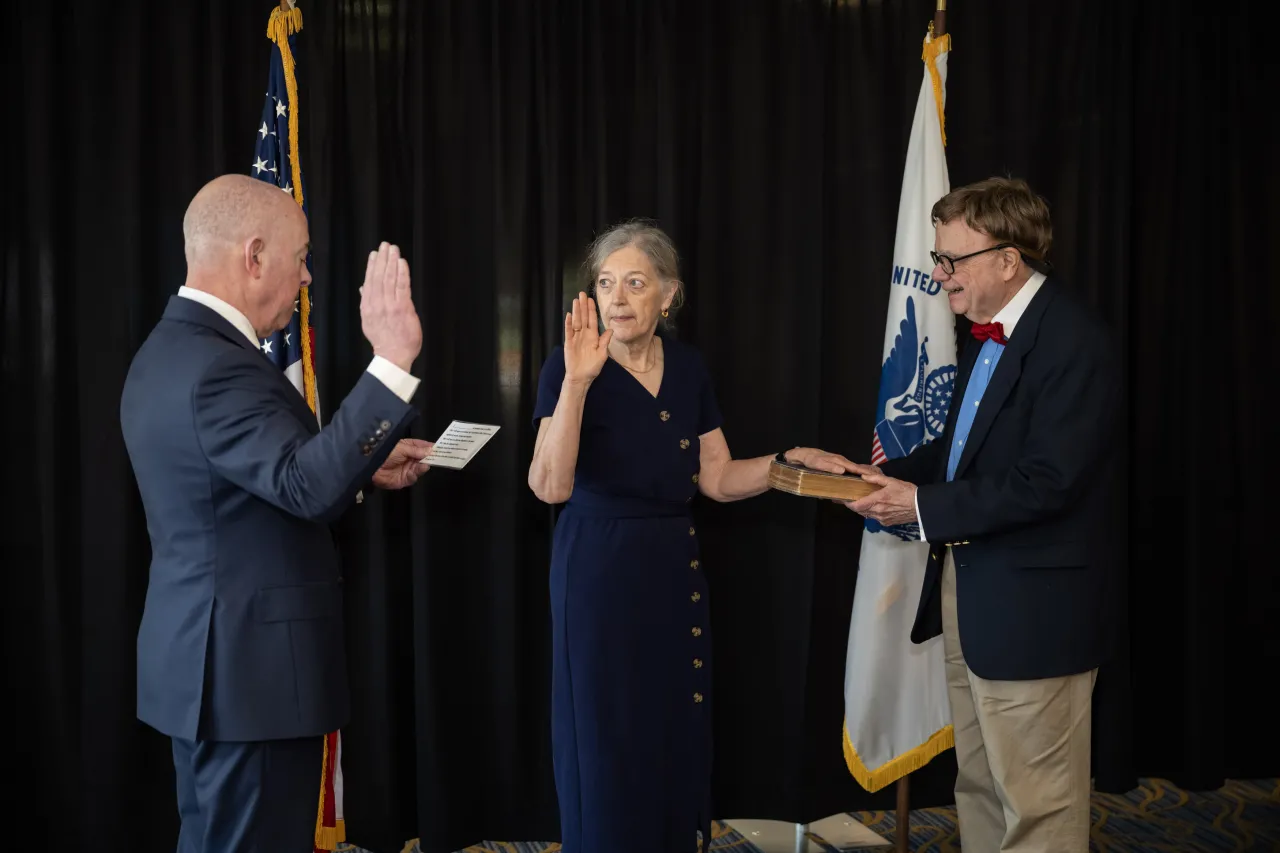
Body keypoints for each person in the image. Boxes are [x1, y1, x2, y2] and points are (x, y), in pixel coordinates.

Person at [120, 174, 431, 852]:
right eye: (301, 256)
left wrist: (363, 471)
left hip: (210, 670)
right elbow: (300, 485)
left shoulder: (167, 352)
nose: (307, 275)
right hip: (247, 679)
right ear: (254, 256)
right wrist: (391, 361)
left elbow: (242, 487)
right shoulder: (218, 366)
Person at [528, 220, 849, 853]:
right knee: (607, 733)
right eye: (605, 283)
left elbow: (719, 477)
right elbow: (548, 486)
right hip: (598, 569)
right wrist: (576, 383)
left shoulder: (689, 366)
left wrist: (789, 465)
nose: (617, 298)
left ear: (667, 296)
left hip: (674, 566)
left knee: (673, 723)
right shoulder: (566, 369)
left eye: (635, 283)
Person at [845, 177, 1121, 851]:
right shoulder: (986, 334)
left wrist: (918, 504)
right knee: (979, 784)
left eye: (951, 261)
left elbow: (1047, 482)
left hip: (1035, 613)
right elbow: (964, 456)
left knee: (1038, 806)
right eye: (938, 261)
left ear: (1008, 258)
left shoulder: (1072, 340)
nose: (939, 276)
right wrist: (881, 476)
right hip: (972, 594)